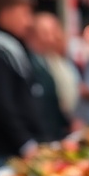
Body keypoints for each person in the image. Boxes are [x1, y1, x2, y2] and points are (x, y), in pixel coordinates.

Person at [0, 0, 46, 174]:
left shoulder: (12, 47)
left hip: (16, 151)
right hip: (4, 155)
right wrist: (25, 143)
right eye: (24, 14)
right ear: (6, 14)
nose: (29, 22)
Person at [28, 13, 71, 141]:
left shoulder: (48, 60)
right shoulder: (28, 63)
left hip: (54, 134)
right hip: (40, 138)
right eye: (48, 33)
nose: (54, 37)